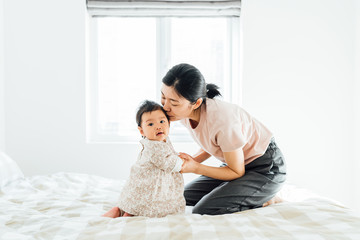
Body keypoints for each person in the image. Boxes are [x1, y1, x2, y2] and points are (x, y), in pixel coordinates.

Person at [160, 63, 286, 215]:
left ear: (196, 103)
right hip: (238, 164)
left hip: (264, 168)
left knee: (204, 208)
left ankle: (266, 197)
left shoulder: (222, 119)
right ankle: (247, 191)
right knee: (181, 197)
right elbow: (212, 142)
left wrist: (195, 168)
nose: (165, 107)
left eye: (173, 102)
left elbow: (236, 171)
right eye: (163, 97)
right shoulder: (183, 113)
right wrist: (190, 162)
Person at [102, 100, 185, 218]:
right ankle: (126, 216)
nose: (158, 126)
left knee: (134, 203)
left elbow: (167, 153)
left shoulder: (161, 140)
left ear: (169, 124)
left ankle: (120, 211)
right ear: (142, 131)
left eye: (162, 121)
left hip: (140, 182)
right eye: (151, 124)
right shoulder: (154, 146)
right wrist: (182, 162)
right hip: (149, 186)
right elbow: (168, 163)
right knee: (142, 205)